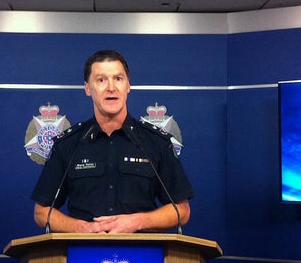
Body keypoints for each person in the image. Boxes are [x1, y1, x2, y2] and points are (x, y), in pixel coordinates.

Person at [31, 49, 193, 233]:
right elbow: (42, 212)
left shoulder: (156, 142)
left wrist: (137, 221)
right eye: (101, 80)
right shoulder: (68, 144)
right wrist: (83, 229)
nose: (111, 87)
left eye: (118, 79)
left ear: (128, 86)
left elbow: (182, 210)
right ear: (87, 88)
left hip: (142, 255)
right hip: (83, 254)